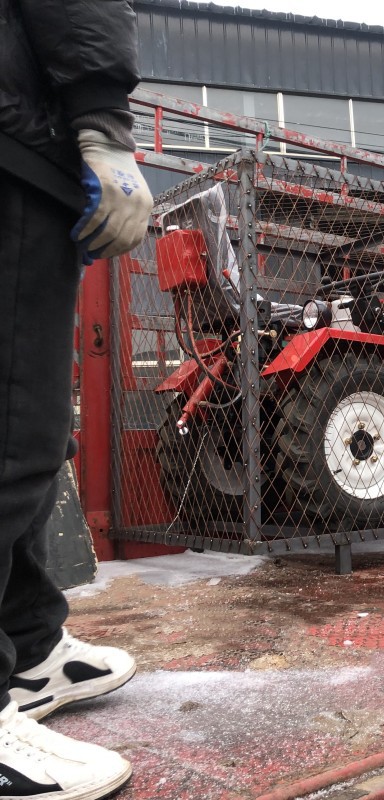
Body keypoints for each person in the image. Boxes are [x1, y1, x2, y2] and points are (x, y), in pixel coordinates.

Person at [0, 1, 153, 797]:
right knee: (12, 433)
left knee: (31, 432)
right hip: (14, 139)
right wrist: (104, 124)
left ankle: (25, 649)